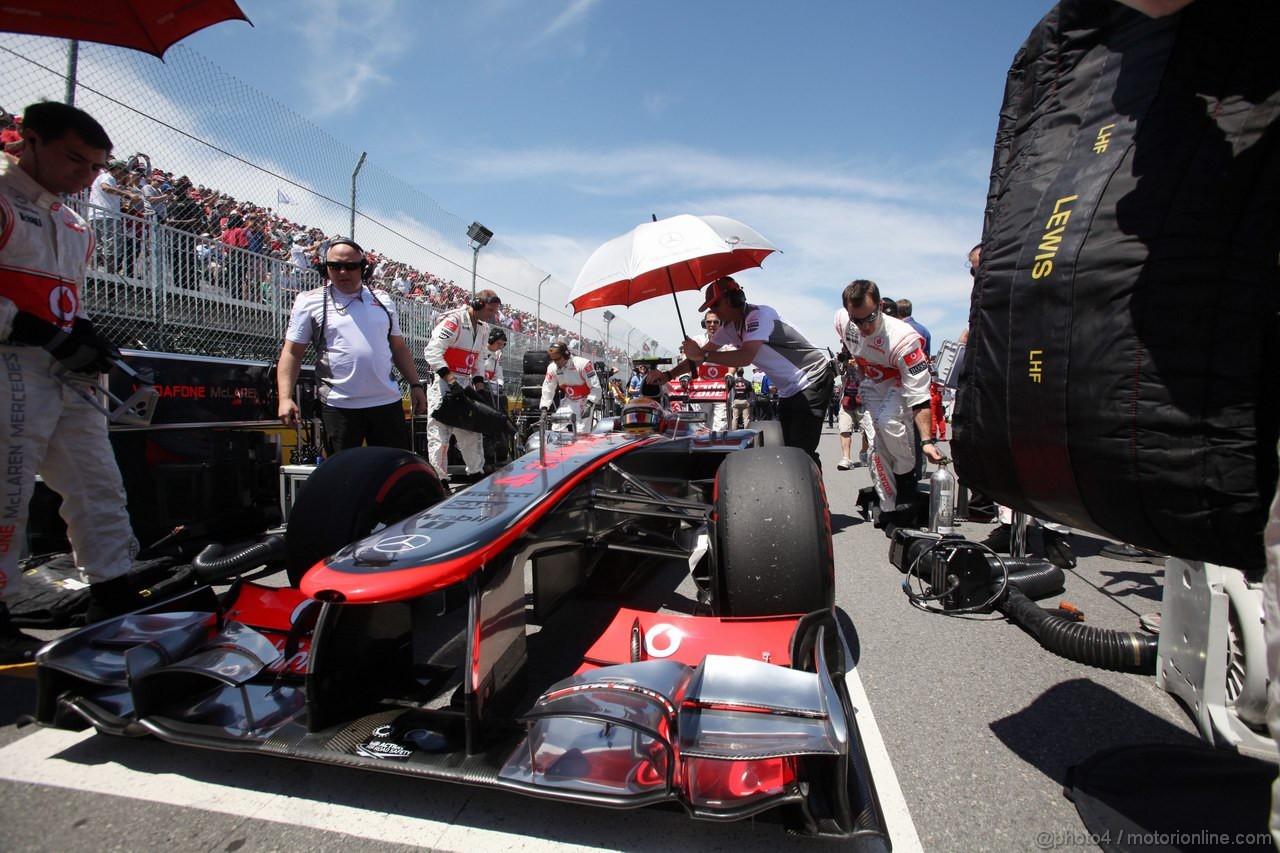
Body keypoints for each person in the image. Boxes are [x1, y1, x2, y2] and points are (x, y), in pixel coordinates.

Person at [0, 102, 145, 663]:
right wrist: (35, 328)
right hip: (10, 364)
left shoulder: (72, 222)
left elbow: (66, 301)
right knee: (6, 490)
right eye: (74, 160)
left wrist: (78, 331)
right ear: (29, 141)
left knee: (97, 482)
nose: (86, 175)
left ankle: (111, 593)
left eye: (94, 166)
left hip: (65, 372)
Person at [649, 277, 833, 466]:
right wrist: (669, 375)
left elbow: (745, 357)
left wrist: (702, 355)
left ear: (734, 299)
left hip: (813, 378)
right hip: (789, 389)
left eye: (716, 305)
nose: (713, 312)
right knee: (789, 449)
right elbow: (698, 358)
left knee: (801, 453)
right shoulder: (729, 328)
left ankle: (812, 493)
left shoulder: (759, 316)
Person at [277, 238, 427, 456]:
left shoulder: (383, 299)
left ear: (364, 269)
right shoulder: (308, 301)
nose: (342, 272)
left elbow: (398, 347)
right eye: (335, 266)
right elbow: (292, 352)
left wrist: (415, 384)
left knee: (392, 472)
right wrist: (284, 398)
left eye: (351, 266)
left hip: (386, 402)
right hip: (339, 406)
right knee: (345, 477)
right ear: (324, 268)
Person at [843, 279, 942, 523]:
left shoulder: (904, 339)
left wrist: (927, 441)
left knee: (888, 422)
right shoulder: (844, 323)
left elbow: (919, 395)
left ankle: (907, 489)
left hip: (901, 382)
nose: (863, 326)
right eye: (856, 320)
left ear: (880, 306)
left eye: (869, 318)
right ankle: (888, 507)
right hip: (873, 384)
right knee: (876, 444)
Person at [422, 290, 502, 487]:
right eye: (490, 310)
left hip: (465, 385)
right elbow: (432, 351)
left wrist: (480, 388)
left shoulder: (483, 328)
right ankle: (439, 480)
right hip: (443, 385)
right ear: (477, 304)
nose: (492, 314)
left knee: (471, 432)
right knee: (440, 435)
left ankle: (475, 473)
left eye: (494, 311)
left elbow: (478, 360)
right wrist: (450, 381)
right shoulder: (454, 320)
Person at [540, 340, 602, 427]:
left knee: (581, 432)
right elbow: (548, 388)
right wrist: (544, 408)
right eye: (554, 360)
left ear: (566, 354)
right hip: (569, 399)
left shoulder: (583, 364)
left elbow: (595, 386)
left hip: (585, 400)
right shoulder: (552, 368)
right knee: (556, 427)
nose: (556, 362)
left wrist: (589, 404)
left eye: (558, 359)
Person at [694, 310, 732, 430]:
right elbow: (690, 360)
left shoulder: (729, 341)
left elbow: (733, 361)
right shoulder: (698, 340)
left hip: (721, 389)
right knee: (701, 426)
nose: (712, 324)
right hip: (701, 390)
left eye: (716, 322)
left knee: (720, 427)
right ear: (703, 324)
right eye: (709, 322)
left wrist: (730, 374)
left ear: (721, 323)